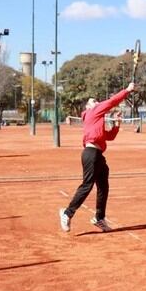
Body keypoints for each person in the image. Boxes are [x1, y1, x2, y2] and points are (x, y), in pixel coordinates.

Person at [59, 83, 135, 233]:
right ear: (88, 106)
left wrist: (116, 124)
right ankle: (67, 213)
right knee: (87, 185)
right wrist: (127, 90)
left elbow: (109, 136)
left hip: (98, 155)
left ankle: (99, 218)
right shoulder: (93, 111)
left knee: (103, 187)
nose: (96, 102)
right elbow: (112, 102)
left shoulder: (96, 120)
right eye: (93, 101)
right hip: (91, 153)